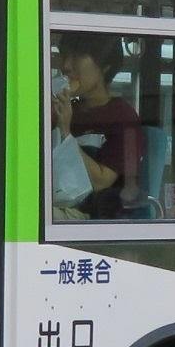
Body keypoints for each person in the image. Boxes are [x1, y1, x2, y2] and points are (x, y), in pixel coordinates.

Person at [51, 41, 143, 221]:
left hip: (92, 215)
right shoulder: (66, 110)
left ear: (105, 65)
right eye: (64, 56)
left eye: (76, 56)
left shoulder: (123, 117)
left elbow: (101, 182)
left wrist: (65, 132)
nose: (66, 66)